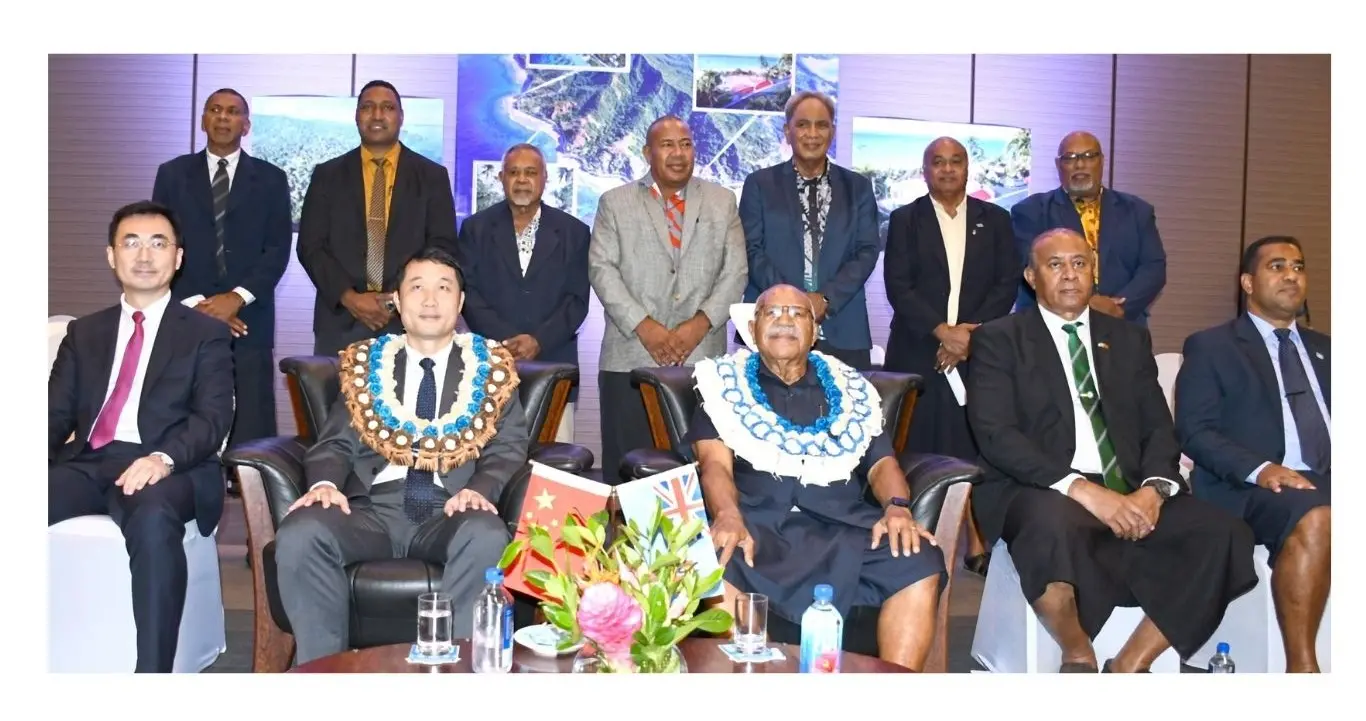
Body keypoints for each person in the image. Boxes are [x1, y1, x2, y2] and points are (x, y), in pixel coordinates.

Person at [966, 227, 1256, 672]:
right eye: (1055, 264)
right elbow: (995, 434)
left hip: (1129, 484)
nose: (1069, 275)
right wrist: (1081, 489)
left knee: (1225, 534)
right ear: (1030, 276)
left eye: (1079, 263)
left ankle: (1129, 665)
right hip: (1040, 484)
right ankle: (1077, 651)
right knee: (1050, 528)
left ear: (1094, 271)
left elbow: (1159, 427)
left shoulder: (1126, 339)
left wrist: (1154, 491)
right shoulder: (999, 338)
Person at [272, 246, 531, 664]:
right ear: (397, 299)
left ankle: (456, 683)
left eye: (443, 288)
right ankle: (322, 678)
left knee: (486, 534)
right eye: (417, 287)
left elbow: (508, 445)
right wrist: (324, 484)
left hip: (452, 508)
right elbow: (335, 442)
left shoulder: (491, 368)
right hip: (370, 510)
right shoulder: (366, 365)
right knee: (302, 532)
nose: (430, 300)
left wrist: (481, 489)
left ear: (460, 302)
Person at [690, 283, 943, 671]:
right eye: (772, 313)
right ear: (753, 327)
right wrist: (727, 514)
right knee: (709, 557)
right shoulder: (724, 385)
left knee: (918, 558)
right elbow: (715, 465)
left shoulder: (851, 389)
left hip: (841, 527)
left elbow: (882, 464)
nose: (784, 321)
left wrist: (896, 508)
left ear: (814, 330)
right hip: (757, 526)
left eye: (797, 313)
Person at [49, 200, 236, 672]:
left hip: (172, 467)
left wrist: (163, 458)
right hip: (91, 461)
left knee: (153, 519)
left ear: (178, 258)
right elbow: (53, 415)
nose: (145, 255)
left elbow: (211, 418)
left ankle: (151, 680)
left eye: (159, 243)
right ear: (112, 256)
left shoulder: (205, 334)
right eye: (131, 243)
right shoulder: (84, 333)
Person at [1175, 235, 1330, 673]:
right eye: (1276, 266)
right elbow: (1194, 432)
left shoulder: (1329, 350)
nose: (1290, 276)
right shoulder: (1213, 346)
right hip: (1249, 486)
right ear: (1247, 282)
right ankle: (1303, 669)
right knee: (1317, 514)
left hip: (1328, 477)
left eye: (1297, 267)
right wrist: (1261, 469)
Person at [588, 114, 747, 480]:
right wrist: (646, 327)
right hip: (629, 356)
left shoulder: (722, 202)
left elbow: (736, 271)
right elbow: (601, 269)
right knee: (627, 473)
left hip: (703, 357)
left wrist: (699, 325)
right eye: (667, 145)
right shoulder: (615, 202)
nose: (678, 154)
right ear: (647, 152)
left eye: (686, 144)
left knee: (697, 472)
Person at [151, 87, 291, 470]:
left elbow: (278, 248)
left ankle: (250, 499)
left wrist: (237, 297)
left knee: (251, 418)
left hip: (249, 316)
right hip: (187, 311)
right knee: (185, 406)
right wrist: (200, 303)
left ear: (246, 125)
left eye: (233, 112)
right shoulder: (172, 174)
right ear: (203, 120)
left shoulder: (271, 179)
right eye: (215, 110)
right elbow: (163, 242)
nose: (223, 117)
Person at [297, 79, 458, 357]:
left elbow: (442, 247)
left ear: (401, 116)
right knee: (337, 401)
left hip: (410, 321)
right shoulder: (327, 176)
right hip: (340, 321)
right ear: (357, 116)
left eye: (387, 108)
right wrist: (350, 298)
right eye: (368, 107)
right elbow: (311, 247)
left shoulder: (432, 176)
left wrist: (397, 299)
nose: (377, 115)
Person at [883, 135, 1019, 460]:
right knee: (912, 447)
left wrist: (969, 336)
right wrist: (945, 333)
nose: (947, 169)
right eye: (938, 162)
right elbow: (899, 286)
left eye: (955, 161)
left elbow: (1007, 282)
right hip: (918, 349)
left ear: (967, 168)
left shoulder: (997, 220)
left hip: (978, 351)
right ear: (925, 171)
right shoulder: (905, 220)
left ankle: (969, 511)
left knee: (971, 446)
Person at [456, 143, 590, 440]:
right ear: (501, 178)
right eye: (514, 172)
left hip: (553, 364)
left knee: (552, 467)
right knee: (489, 462)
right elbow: (468, 293)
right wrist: (506, 342)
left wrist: (537, 341)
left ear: (545, 178)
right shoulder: (475, 229)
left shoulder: (574, 233)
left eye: (531, 172)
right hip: (491, 365)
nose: (522, 180)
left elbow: (577, 301)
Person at [738, 91, 880, 369]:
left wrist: (826, 299)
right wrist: (793, 303)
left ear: (833, 131)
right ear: (787, 131)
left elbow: (867, 251)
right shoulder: (759, 184)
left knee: (846, 410)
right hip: (772, 326)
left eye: (822, 125)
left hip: (843, 328)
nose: (812, 133)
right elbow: (751, 249)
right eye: (802, 124)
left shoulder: (858, 188)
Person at [1010, 131, 1167, 325]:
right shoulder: (1031, 211)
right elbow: (1030, 268)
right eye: (1070, 158)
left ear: (1101, 161)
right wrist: (1087, 303)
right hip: (1049, 327)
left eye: (1089, 156)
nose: (1080, 165)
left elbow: (1154, 268)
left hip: (1123, 325)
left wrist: (1118, 307)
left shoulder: (1137, 211)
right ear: (1059, 165)